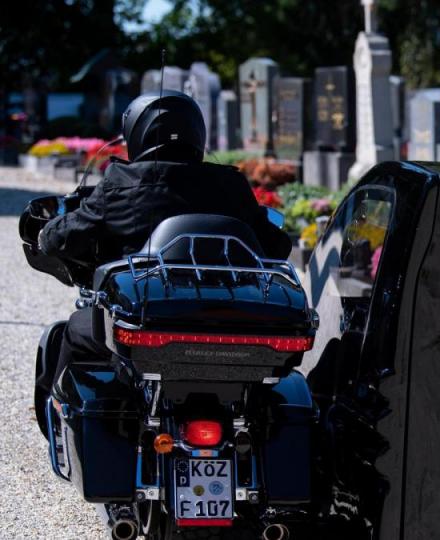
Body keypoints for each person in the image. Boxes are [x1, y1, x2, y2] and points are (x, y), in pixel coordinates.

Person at [38, 90, 292, 383]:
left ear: (136, 131)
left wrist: (47, 233)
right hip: (229, 323)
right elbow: (278, 247)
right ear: (197, 133)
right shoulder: (231, 184)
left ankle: (66, 421)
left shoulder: (121, 181)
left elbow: (67, 236)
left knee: (75, 329)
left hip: (146, 320)